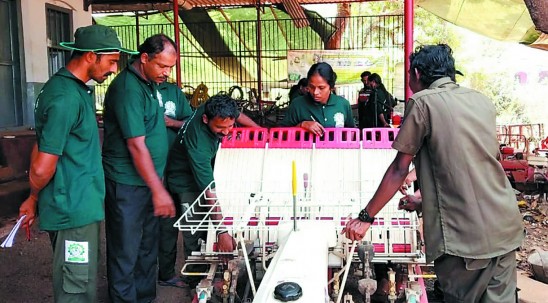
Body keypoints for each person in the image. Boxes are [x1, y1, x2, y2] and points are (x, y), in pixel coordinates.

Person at [343, 44, 523, 303]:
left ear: (416, 73)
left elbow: (398, 168)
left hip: (466, 240)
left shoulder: (422, 102)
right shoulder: (481, 101)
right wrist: (422, 199)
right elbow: (473, 162)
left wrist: (366, 217)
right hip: (505, 228)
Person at [17, 25, 136, 303]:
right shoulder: (65, 98)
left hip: (79, 206)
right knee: (76, 288)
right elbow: (42, 165)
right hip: (73, 211)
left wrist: (33, 198)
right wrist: (33, 196)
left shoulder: (71, 90)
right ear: (91, 56)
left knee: (80, 280)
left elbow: (43, 142)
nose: (113, 69)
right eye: (111, 61)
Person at [101, 34, 177, 303]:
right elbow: (135, 145)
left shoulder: (148, 83)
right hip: (127, 184)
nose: (166, 73)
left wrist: (156, 185)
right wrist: (158, 190)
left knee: (147, 247)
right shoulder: (127, 89)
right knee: (125, 250)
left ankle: (144, 297)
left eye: (170, 67)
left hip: (148, 182)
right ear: (144, 58)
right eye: (162, 66)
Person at [163, 94, 240, 282]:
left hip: (201, 171)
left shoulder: (214, 106)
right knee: (195, 229)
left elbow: (239, 116)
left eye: (230, 126)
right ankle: (195, 282)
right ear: (205, 119)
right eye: (220, 128)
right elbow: (209, 192)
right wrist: (222, 232)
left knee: (206, 225)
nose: (227, 132)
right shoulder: (198, 145)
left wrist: (261, 130)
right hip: (184, 181)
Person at [279, 62, 355, 136]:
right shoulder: (297, 104)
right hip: (306, 148)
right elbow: (281, 134)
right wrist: (302, 125)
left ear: (331, 87)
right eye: (311, 87)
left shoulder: (343, 104)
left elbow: (352, 132)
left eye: (321, 88)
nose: (315, 92)